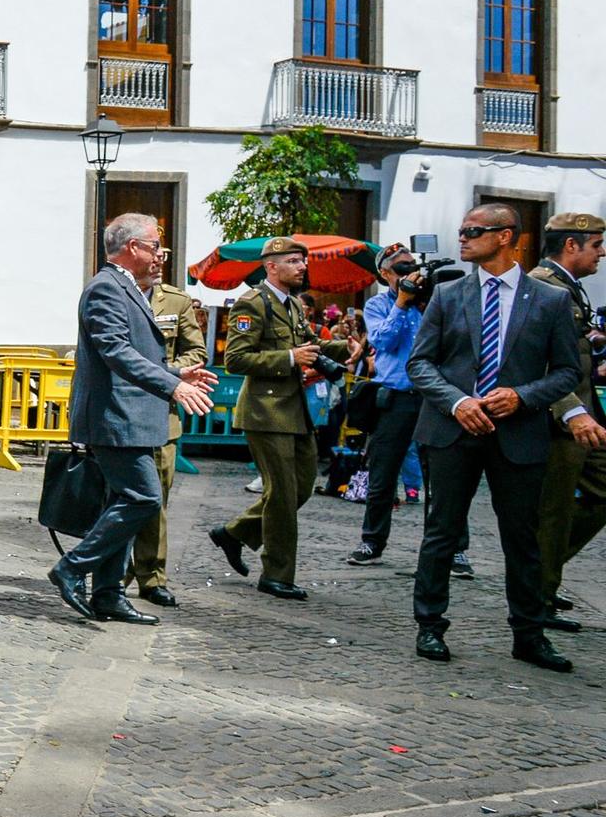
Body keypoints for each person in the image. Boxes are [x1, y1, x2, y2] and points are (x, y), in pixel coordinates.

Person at [406, 204, 584, 671]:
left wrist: (523, 397)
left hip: (518, 433)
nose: (462, 239)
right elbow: (420, 364)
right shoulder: (447, 295)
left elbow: (568, 370)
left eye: (472, 232)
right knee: (441, 532)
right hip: (452, 429)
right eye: (462, 231)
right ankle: (430, 626)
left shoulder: (549, 300)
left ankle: (529, 634)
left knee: (522, 538)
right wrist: (459, 402)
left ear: (505, 237)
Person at [50, 213, 215, 625]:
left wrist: (176, 373)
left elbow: (139, 352)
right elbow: (117, 352)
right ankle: (72, 567)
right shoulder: (106, 288)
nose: (160, 253)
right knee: (143, 498)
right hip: (115, 417)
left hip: (131, 416)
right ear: (132, 248)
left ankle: (107, 594)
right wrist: (173, 387)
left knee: (120, 500)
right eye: (155, 244)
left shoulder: (130, 288)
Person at [208, 238, 353, 601]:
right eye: (293, 261)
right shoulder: (252, 303)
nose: (302, 267)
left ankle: (234, 532)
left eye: (303, 261)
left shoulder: (291, 306)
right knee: (284, 495)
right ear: (271, 266)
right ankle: (276, 573)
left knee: (302, 487)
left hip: (294, 410)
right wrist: (289, 357)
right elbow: (236, 360)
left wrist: (347, 348)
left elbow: (309, 345)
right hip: (266, 410)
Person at [530, 214, 606, 627]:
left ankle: (540, 571)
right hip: (557, 419)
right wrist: (572, 412)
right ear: (571, 246)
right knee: (554, 511)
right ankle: (536, 593)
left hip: (583, 413)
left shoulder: (567, 287)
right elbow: (539, 361)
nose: (603, 252)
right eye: (596, 244)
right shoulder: (544, 284)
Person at [127, 272, 206, 608]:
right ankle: (112, 571)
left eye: (162, 254)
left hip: (162, 412)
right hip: (123, 409)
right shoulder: (115, 294)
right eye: (153, 251)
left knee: (156, 500)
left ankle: (151, 577)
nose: (158, 260)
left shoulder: (176, 301)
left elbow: (195, 352)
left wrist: (163, 371)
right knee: (117, 497)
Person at [346, 249, 427, 566]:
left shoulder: (431, 300)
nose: (407, 272)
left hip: (434, 398)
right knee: (382, 478)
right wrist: (401, 303)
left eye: (411, 266)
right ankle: (372, 542)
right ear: (384, 274)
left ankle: (455, 548)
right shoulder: (378, 304)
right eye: (399, 268)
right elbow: (383, 340)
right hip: (396, 398)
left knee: (445, 479)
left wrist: (419, 298)